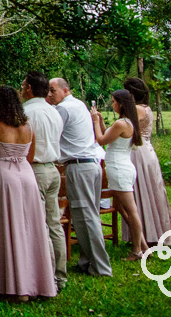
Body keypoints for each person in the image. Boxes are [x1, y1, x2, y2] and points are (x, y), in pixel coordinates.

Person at [0, 85, 56, 300]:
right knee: (31, 228)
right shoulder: (28, 126)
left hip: (3, 174)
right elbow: (30, 156)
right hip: (26, 175)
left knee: (5, 226)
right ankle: (36, 284)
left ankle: (12, 286)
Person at [50, 77, 112, 277]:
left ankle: (102, 268)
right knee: (83, 216)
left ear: (65, 90)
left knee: (87, 217)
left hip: (79, 165)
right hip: (91, 164)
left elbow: (53, 136)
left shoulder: (63, 109)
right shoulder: (79, 105)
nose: (50, 95)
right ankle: (87, 261)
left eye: (53, 91)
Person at [21, 70, 66, 291]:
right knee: (54, 224)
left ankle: (48, 277)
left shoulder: (25, 112)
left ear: (29, 88)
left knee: (40, 225)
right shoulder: (54, 111)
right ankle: (60, 275)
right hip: (53, 169)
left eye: (22, 86)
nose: (21, 89)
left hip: (35, 169)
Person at [90, 89, 148, 259]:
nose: (112, 104)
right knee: (122, 208)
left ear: (121, 104)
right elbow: (109, 134)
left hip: (118, 168)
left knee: (131, 210)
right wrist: (100, 121)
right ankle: (143, 246)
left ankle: (137, 250)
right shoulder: (127, 122)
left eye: (114, 101)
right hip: (123, 166)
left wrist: (94, 121)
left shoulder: (121, 124)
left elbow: (101, 140)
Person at [123, 77, 171, 247]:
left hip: (138, 152)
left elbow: (125, 127)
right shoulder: (146, 107)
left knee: (141, 191)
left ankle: (147, 234)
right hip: (147, 150)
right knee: (151, 190)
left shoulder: (136, 109)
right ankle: (148, 232)